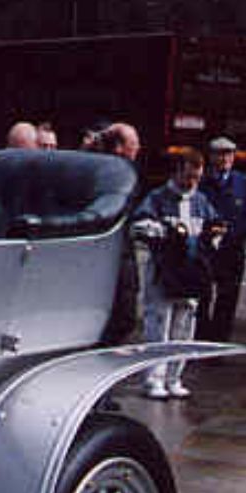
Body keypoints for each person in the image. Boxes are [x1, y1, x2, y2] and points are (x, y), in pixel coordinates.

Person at [131, 148, 223, 399]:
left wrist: (213, 236)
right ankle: (153, 380)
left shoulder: (201, 201)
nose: (192, 182)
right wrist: (164, 231)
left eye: (197, 177)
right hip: (164, 271)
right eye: (188, 176)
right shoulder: (158, 198)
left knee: (184, 327)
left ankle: (174, 377)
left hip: (191, 272)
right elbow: (138, 226)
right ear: (177, 171)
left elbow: (215, 227)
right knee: (158, 326)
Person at [199, 136, 246, 343]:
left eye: (229, 154)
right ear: (211, 157)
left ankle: (220, 341)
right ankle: (201, 340)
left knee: (228, 297)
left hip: (232, 247)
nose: (225, 158)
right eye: (220, 154)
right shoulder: (202, 181)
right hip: (206, 248)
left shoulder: (244, 182)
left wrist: (243, 229)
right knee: (202, 296)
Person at [101, 121, 145, 343]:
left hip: (122, 250)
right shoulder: (120, 172)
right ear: (119, 147)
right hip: (114, 253)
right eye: (133, 143)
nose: (138, 147)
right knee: (122, 316)